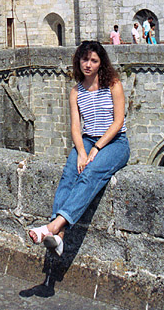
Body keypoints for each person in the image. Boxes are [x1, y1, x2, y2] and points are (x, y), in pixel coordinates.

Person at [28, 40, 130, 257]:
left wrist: (97, 149)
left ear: (101, 63)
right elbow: (75, 126)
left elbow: (118, 122)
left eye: (94, 60)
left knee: (90, 174)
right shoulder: (76, 91)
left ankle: (54, 227)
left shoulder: (113, 85)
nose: (88, 64)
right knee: (69, 174)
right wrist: (82, 152)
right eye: (85, 59)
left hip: (115, 142)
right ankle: (59, 238)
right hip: (87, 140)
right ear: (79, 61)